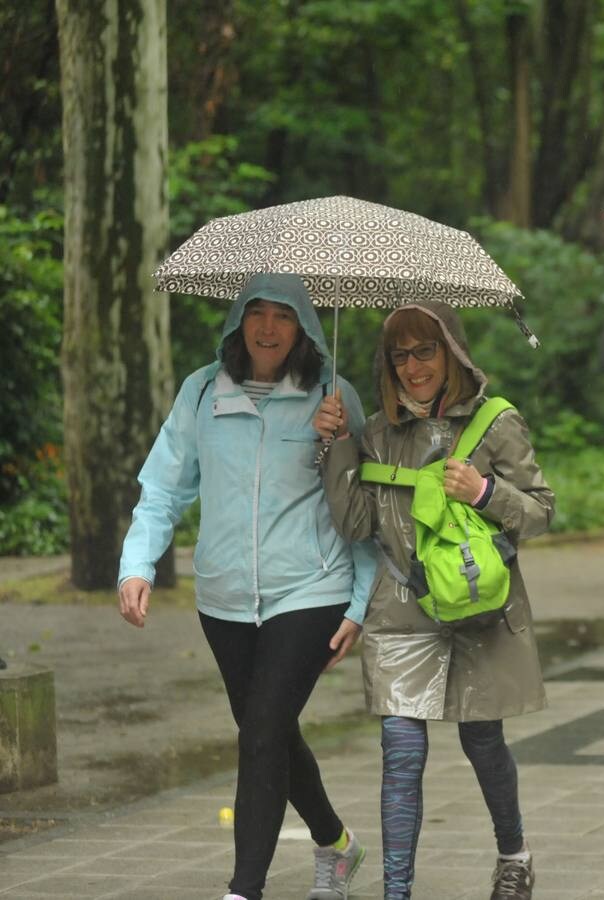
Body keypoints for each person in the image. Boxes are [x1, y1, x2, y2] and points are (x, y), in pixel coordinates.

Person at [117, 273, 376, 900]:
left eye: (283, 316)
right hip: (225, 597)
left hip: (312, 589)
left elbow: (366, 508)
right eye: (256, 313)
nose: (267, 328)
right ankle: (336, 843)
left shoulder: (333, 395)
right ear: (237, 321)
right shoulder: (202, 391)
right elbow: (164, 487)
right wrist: (137, 564)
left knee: (261, 729)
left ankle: (244, 890)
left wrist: (361, 602)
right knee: (272, 730)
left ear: (305, 327)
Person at [314, 301, 553, 900]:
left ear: (452, 352)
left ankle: (514, 855)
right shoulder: (374, 432)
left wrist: (486, 490)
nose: (414, 366)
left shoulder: (497, 423)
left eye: (426, 350)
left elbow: (541, 514)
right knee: (402, 747)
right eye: (401, 355)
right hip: (402, 605)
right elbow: (354, 523)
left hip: (479, 603)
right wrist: (339, 446)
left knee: (482, 739)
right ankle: (398, 892)